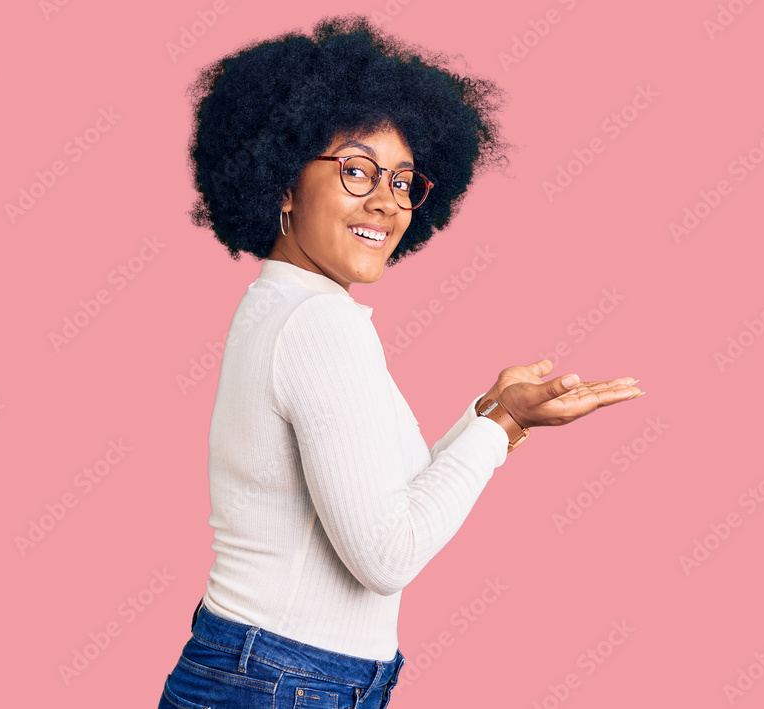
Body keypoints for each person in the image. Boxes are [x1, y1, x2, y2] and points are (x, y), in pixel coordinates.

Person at [159, 15, 644, 709]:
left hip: (266, 669)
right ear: (284, 182)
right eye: (356, 170)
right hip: (283, 682)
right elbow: (387, 554)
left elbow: (394, 495)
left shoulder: (283, 305)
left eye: (403, 180)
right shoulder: (319, 323)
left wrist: (493, 414)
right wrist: (500, 425)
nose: (386, 200)